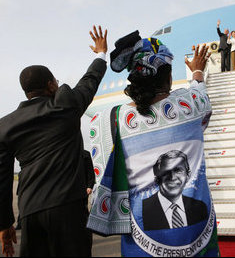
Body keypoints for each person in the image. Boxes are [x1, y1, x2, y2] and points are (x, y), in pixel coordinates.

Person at [87, 31, 219, 257]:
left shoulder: (110, 120)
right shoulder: (192, 105)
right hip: (198, 237)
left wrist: (100, 54)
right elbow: (198, 87)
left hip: (141, 242)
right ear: (168, 78)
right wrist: (197, 70)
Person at [0, 25, 108, 257]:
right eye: (55, 80)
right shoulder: (65, 105)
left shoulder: (5, 127)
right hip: (69, 211)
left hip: (31, 211)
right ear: (51, 85)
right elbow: (89, 81)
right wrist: (100, 53)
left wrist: (4, 224)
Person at [142, 150, 208, 231]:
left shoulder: (200, 208)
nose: (172, 177)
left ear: (188, 176)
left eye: (178, 170)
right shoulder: (143, 209)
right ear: (156, 179)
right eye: (166, 172)